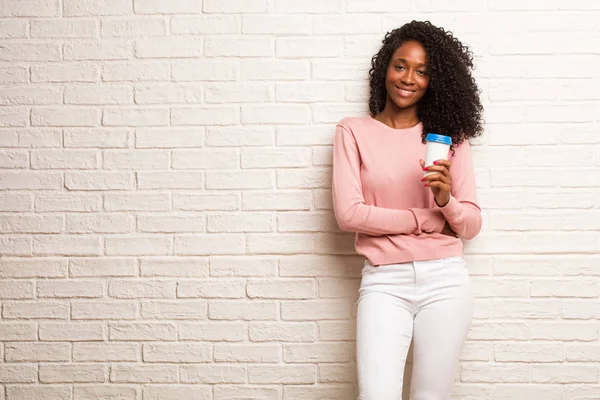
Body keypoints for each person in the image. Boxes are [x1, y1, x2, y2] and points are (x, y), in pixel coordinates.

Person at [331, 20, 484, 400]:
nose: (409, 78)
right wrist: (426, 219)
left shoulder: (449, 138)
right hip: (385, 282)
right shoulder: (353, 132)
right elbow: (349, 214)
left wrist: (446, 199)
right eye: (401, 65)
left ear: (436, 81)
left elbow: (471, 224)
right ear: (385, 67)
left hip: (446, 281)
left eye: (422, 71)